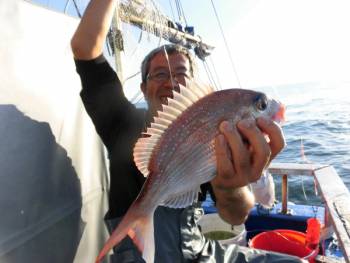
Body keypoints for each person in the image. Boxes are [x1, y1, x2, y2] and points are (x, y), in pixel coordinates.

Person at [71, 1, 302, 262]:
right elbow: (85, 48)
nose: (171, 82)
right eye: (159, 75)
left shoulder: (217, 131)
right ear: (144, 88)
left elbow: (235, 216)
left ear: (193, 89)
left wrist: (230, 186)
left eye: (181, 74)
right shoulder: (122, 121)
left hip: (196, 249)